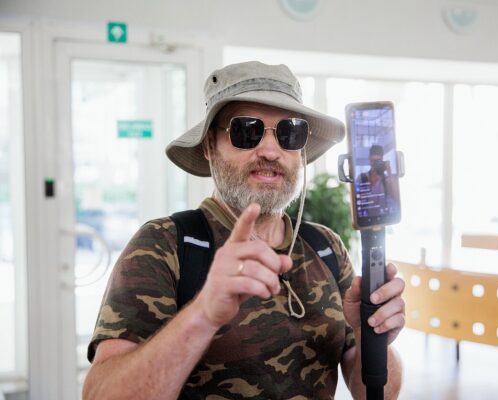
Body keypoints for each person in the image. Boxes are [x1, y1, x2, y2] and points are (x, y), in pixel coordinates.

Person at [82, 61, 405, 400]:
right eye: (246, 130)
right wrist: (202, 314)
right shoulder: (164, 245)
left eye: (289, 133)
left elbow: (375, 393)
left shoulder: (325, 246)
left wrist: (371, 336)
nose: (270, 151)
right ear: (209, 146)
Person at [357, 144, 400, 217]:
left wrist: (389, 172)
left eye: (378, 161)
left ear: (382, 160)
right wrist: (370, 184)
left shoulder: (386, 179)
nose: (375, 165)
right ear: (369, 159)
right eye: (374, 161)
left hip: (385, 217)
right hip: (367, 218)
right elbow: (358, 200)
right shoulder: (362, 178)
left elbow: (396, 198)